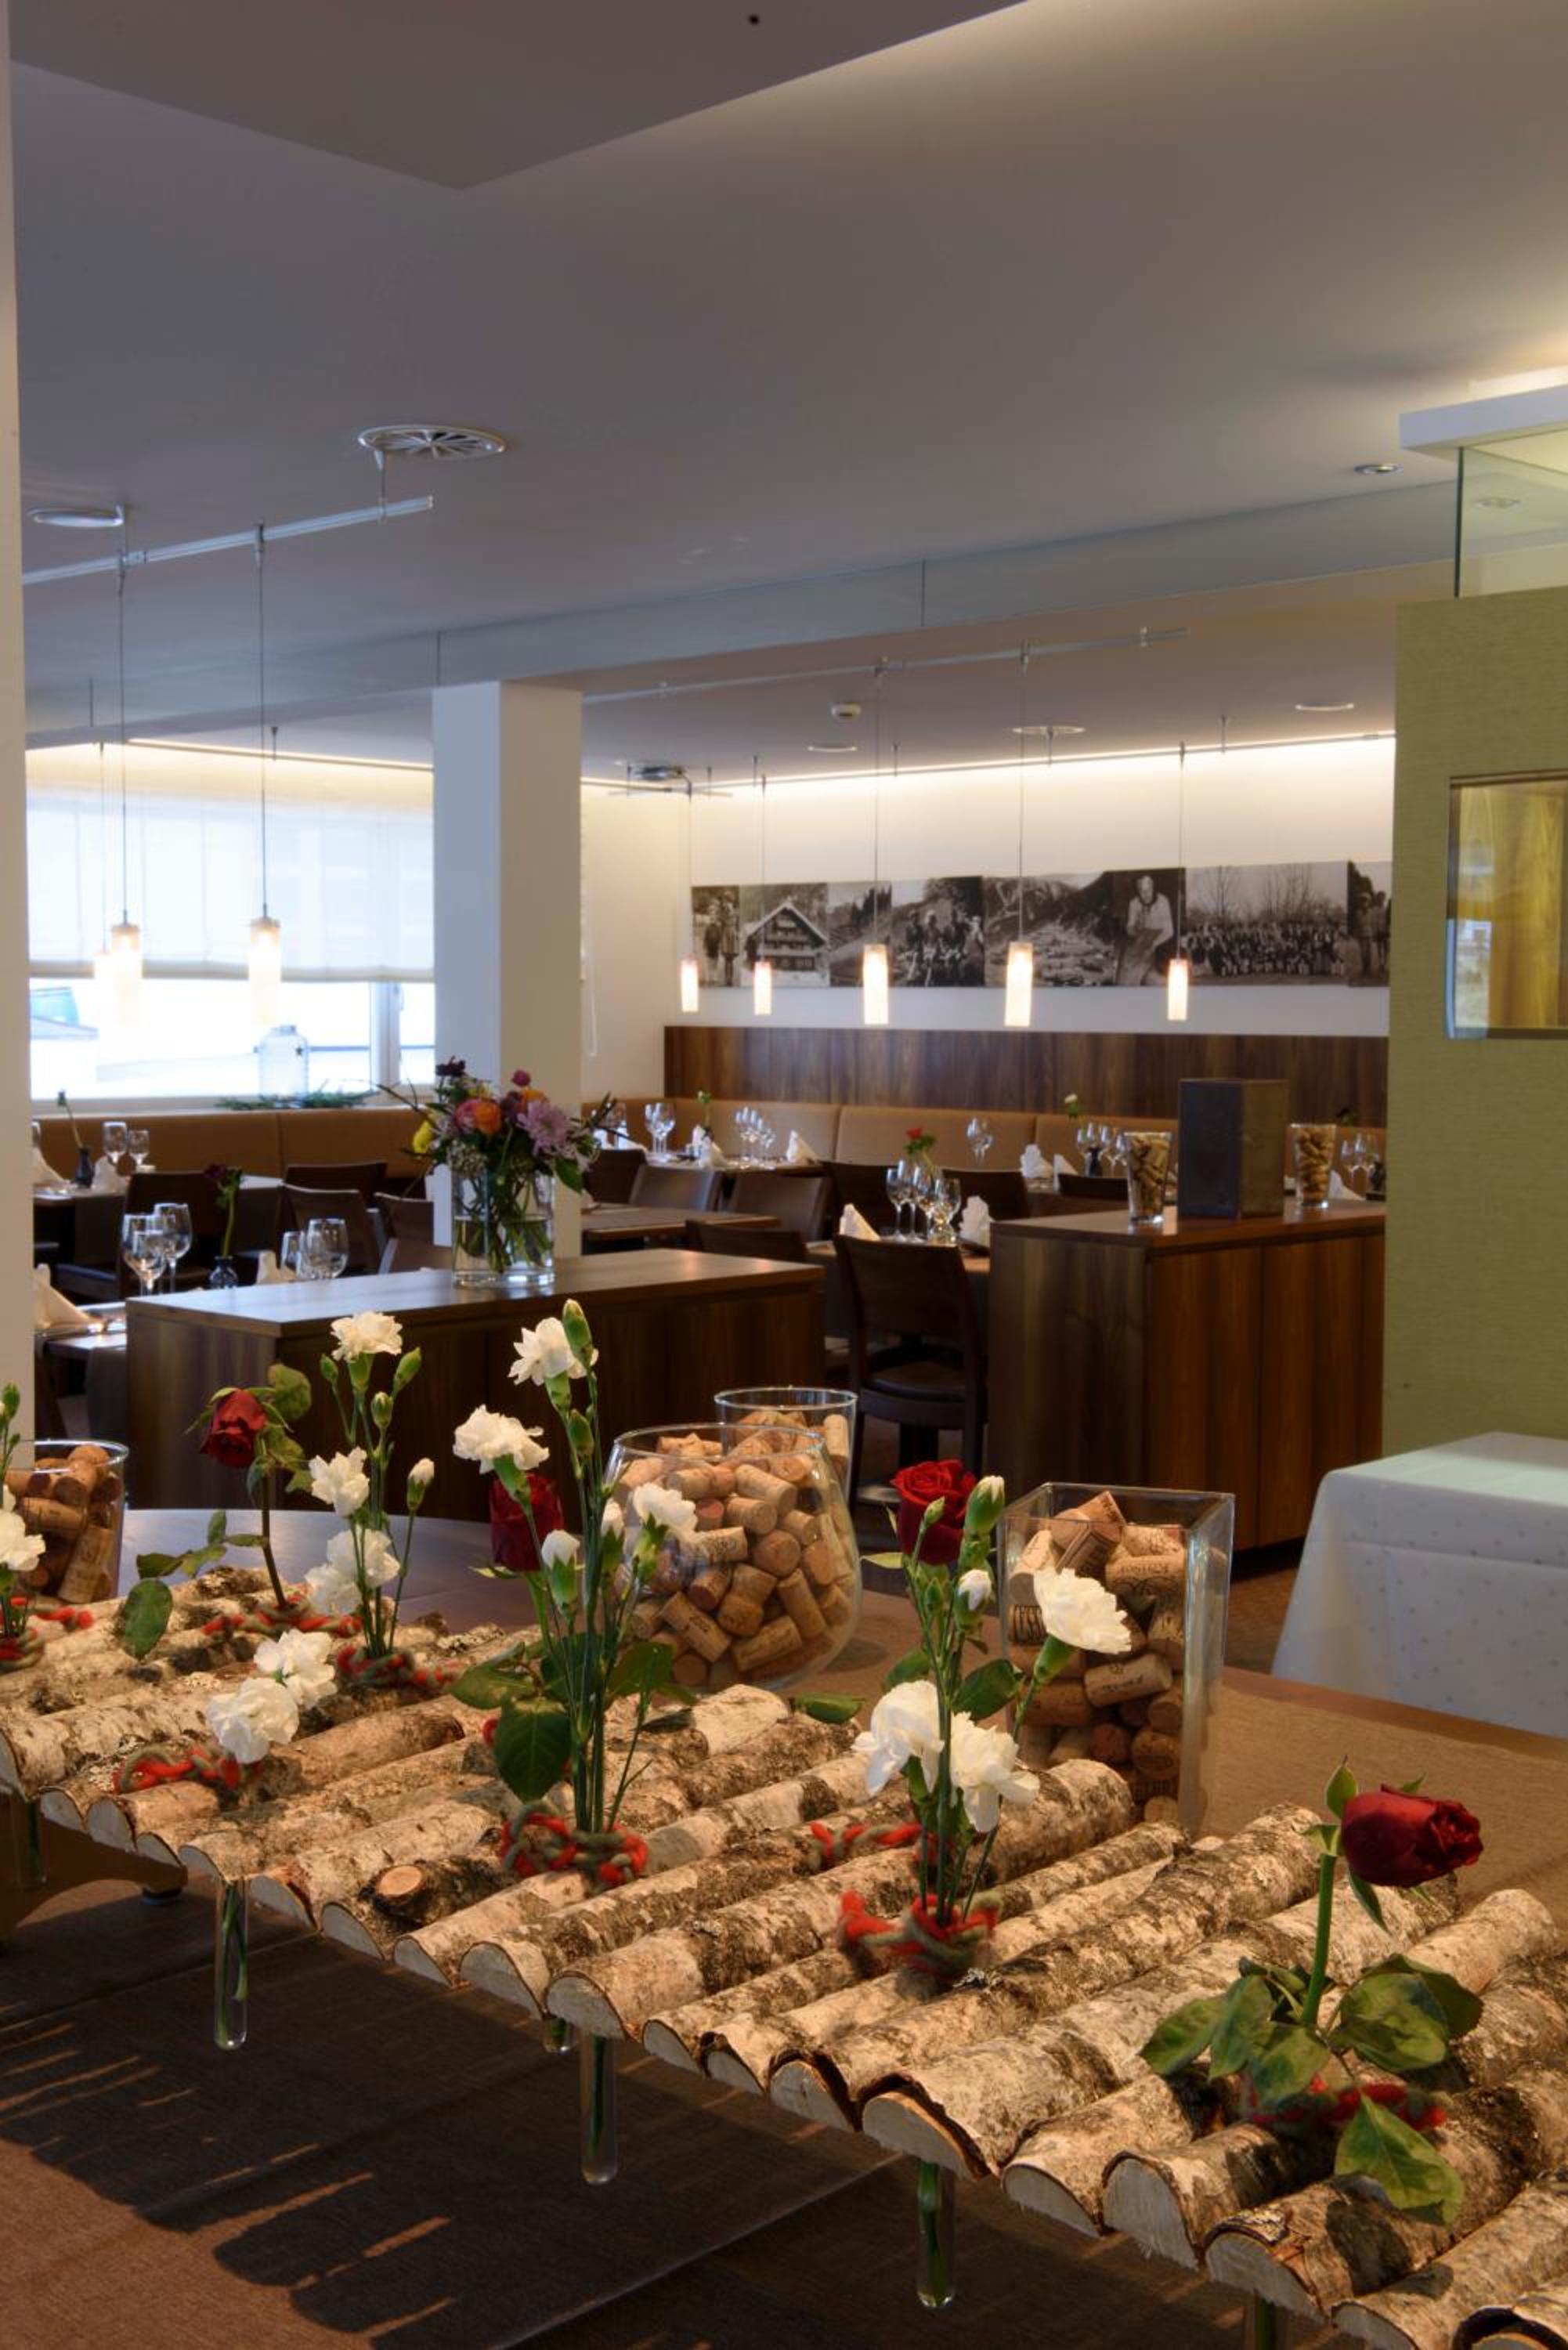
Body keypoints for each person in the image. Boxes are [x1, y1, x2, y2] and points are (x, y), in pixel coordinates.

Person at [1117, 872, 1174, 986]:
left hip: (1162, 938)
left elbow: (1169, 931)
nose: (1145, 895)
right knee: (1127, 962)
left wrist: (1154, 944)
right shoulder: (1134, 903)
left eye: (1148, 891)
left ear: (1153, 888)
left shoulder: (1163, 901)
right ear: (1138, 891)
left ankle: (1154, 979)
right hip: (1143, 936)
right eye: (1142, 891)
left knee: (1149, 962)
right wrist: (1132, 929)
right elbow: (1130, 925)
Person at [719, 895, 739, 987]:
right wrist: (721, 940)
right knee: (726, 959)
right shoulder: (724, 914)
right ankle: (726, 978)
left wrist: (737, 935)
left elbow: (738, 926)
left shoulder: (736, 913)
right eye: (726, 902)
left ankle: (730, 978)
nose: (727, 904)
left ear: (732, 903)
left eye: (728, 902)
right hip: (726, 936)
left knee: (731, 960)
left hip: (733, 936)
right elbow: (722, 927)